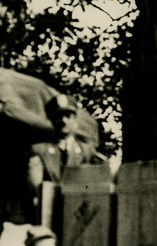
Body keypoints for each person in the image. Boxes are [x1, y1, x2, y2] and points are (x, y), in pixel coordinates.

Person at [28, 93, 102, 226]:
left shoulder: (87, 151)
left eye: (68, 116)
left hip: (78, 217)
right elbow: (36, 188)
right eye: (58, 116)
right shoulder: (39, 150)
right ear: (50, 119)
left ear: (75, 119)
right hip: (47, 216)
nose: (63, 120)